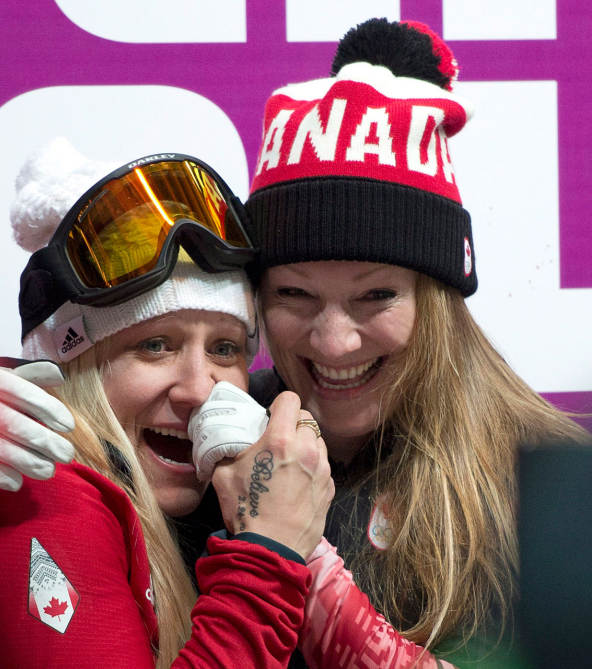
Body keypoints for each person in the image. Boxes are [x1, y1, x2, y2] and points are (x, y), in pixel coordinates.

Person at [0, 140, 334, 669]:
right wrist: (269, 554)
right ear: (68, 367)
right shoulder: (30, 487)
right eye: (154, 345)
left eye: (225, 348)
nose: (200, 389)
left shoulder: (208, 491)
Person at [235, 17, 591, 664]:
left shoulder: (550, 488)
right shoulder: (221, 445)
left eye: (376, 296)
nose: (335, 341)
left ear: (440, 300)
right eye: (295, 294)